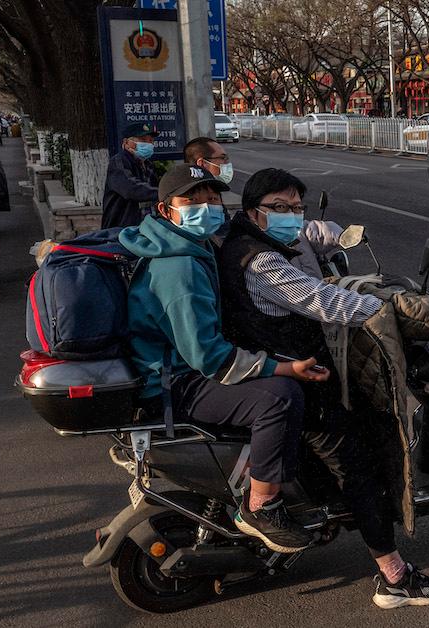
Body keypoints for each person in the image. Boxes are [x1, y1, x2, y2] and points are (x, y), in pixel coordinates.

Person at [215, 168, 429, 608]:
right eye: (280, 208)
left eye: (297, 208)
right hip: (302, 384)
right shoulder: (262, 262)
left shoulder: (241, 242)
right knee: (359, 469)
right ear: (254, 212)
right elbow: (321, 300)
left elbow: (312, 280)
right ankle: (395, 577)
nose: (291, 216)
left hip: (281, 371)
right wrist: (388, 310)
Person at [120, 164, 330, 553]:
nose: (207, 206)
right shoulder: (178, 267)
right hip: (174, 383)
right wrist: (283, 368)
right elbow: (210, 358)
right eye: (193, 200)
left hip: (178, 370)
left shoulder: (186, 244)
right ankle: (261, 507)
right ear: (166, 210)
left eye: (213, 198)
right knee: (279, 398)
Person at [101, 123, 161, 229]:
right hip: (122, 229)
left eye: (151, 141)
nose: (148, 144)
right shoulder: (119, 162)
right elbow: (131, 188)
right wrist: (163, 192)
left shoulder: (148, 165)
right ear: (126, 142)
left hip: (147, 227)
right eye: (142, 140)